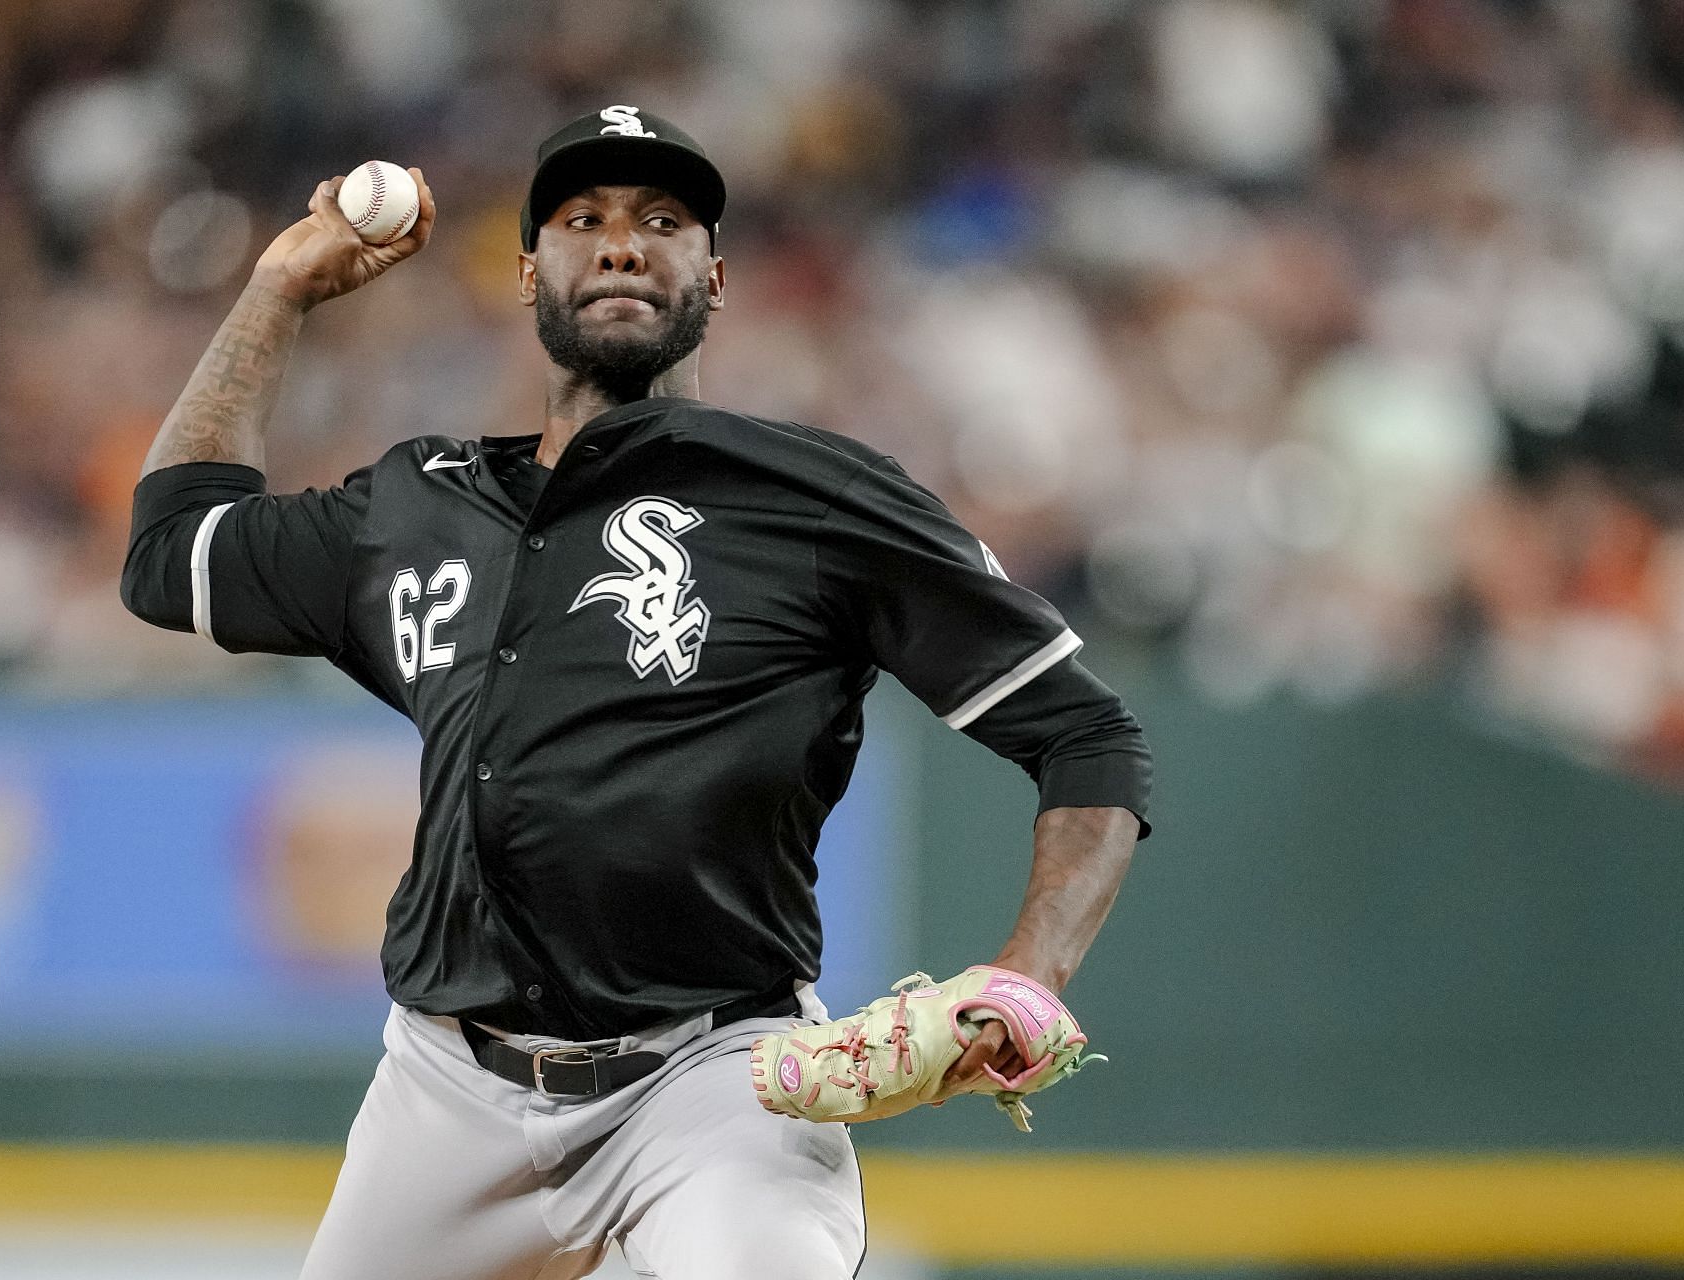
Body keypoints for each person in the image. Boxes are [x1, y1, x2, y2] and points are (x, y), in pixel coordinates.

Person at [119, 106, 1151, 1280]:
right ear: (526, 272)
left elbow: (1088, 733)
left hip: (713, 1080)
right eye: (582, 219)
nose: (621, 245)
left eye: (663, 221)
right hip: (447, 1087)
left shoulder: (811, 496)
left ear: (713, 274)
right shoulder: (415, 506)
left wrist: (1028, 973)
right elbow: (171, 552)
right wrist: (279, 290)